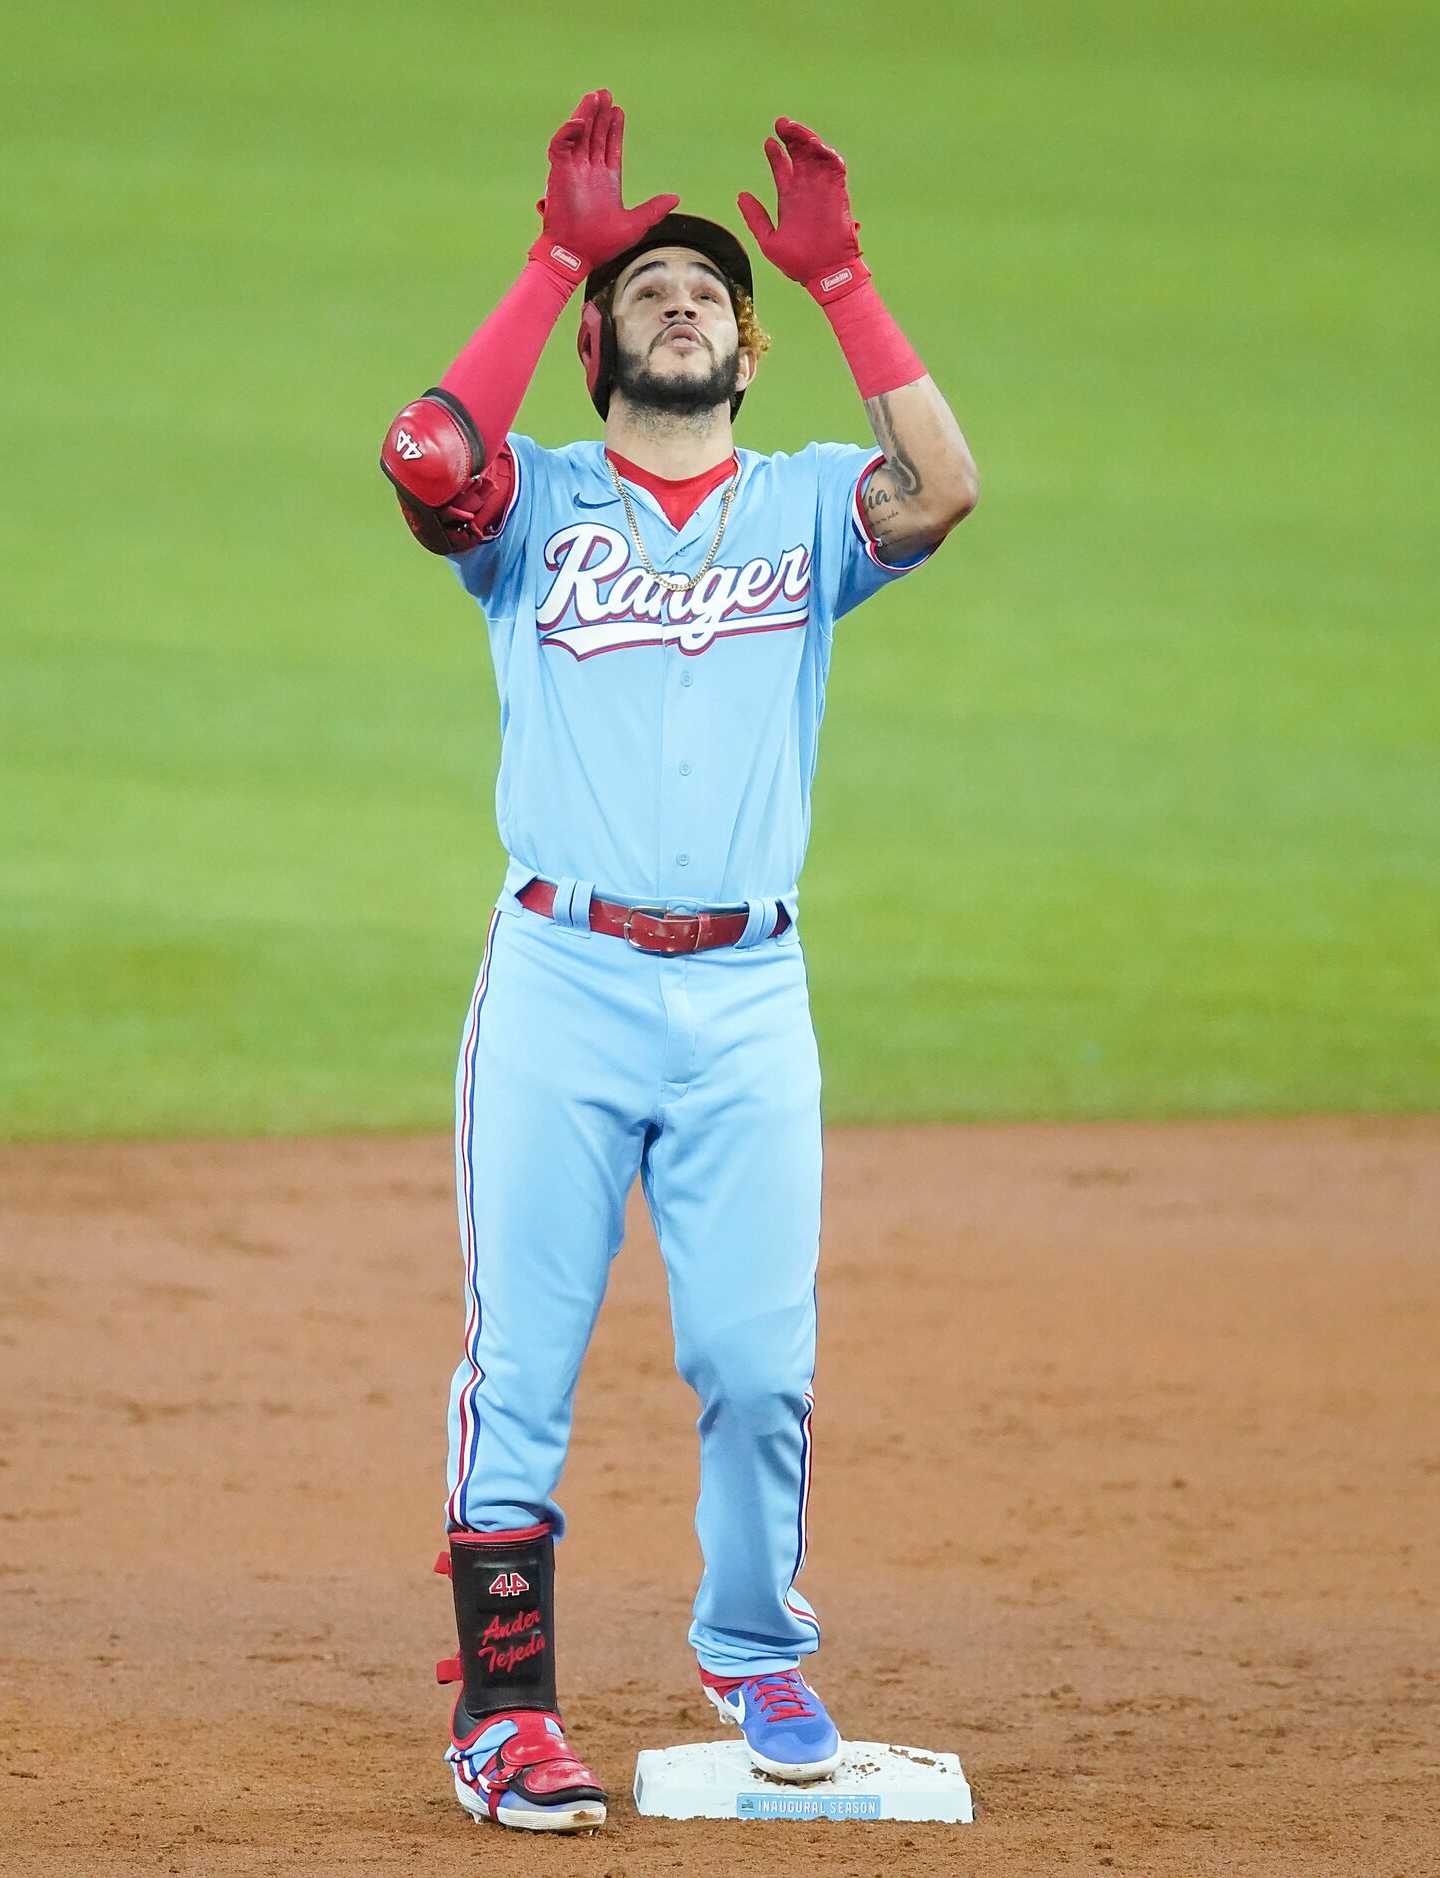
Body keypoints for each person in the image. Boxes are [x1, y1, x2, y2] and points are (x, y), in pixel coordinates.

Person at [381, 88, 978, 1833]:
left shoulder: (805, 510)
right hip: (560, 984)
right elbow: (425, 456)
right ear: (591, 342)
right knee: (526, 1358)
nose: (682, 298)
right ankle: (504, 1716)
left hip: (743, 999)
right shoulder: (530, 504)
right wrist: (554, 250)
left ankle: (752, 1644)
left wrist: (850, 277)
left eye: (710, 289)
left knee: (756, 1356)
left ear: (752, 346)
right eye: (646, 286)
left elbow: (944, 482)